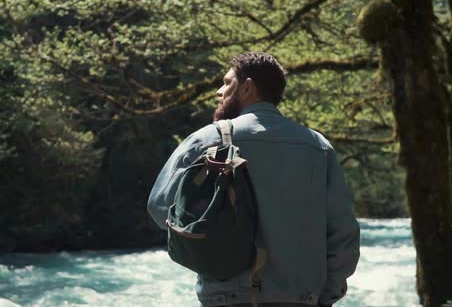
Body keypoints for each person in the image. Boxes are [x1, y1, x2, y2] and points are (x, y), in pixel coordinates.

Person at [147, 52, 360, 307]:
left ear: (247, 86)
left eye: (226, 83)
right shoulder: (319, 147)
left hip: (227, 299)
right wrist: (324, 296)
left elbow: (160, 210)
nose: (219, 91)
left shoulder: (208, 140)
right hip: (302, 300)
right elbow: (344, 234)